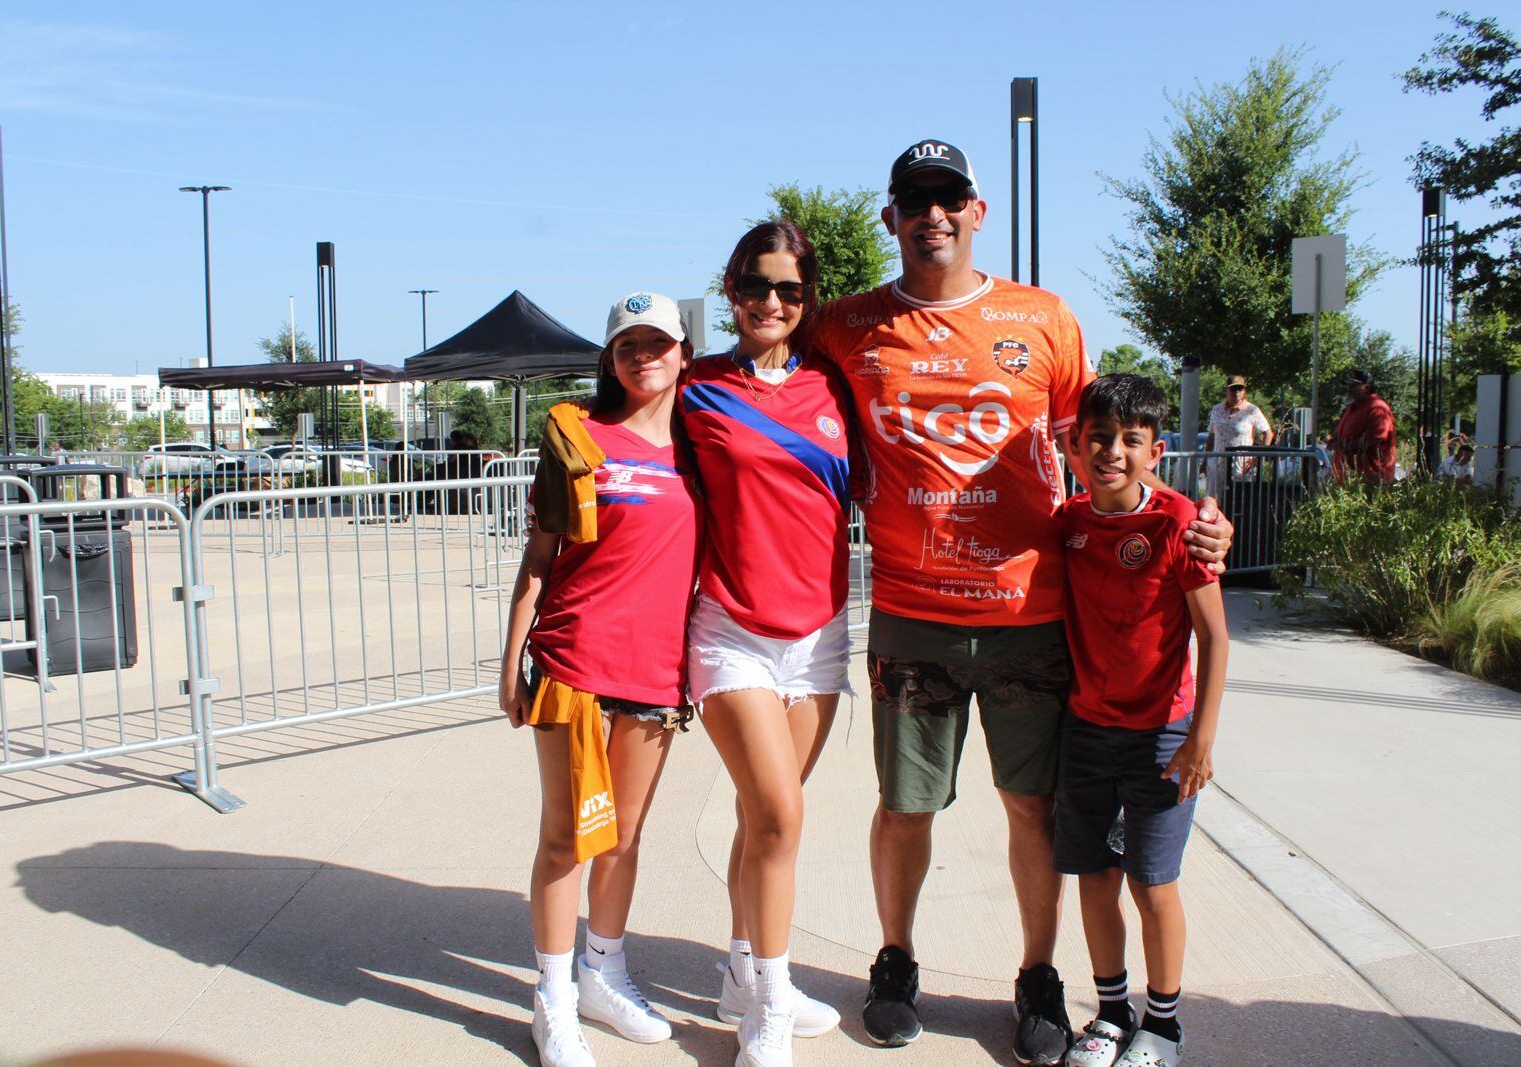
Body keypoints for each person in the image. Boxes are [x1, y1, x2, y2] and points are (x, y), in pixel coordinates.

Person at [810, 138, 1231, 1064]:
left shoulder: (1040, 319)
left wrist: (1192, 520)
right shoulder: (845, 325)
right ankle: (896, 959)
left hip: (1029, 619)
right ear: (892, 217)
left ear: (977, 211)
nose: (934, 216)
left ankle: (1038, 976)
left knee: (1031, 810)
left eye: (949, 198)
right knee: (905, 806)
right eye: (915, 201)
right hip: (914, 613)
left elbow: (1112, 449)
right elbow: (768, 377)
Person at [499, 292, 701, 1067]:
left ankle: (603, 974)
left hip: (655, 671)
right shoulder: (578, 436)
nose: (643, 355)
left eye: (659, 342)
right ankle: (551, 999)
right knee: (566, 836)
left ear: (684, 353)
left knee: (622, 834)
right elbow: (538, 558)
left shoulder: (698, 449)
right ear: (609, 357)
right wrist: (510, 665)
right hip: (572, 662)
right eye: (628, 344)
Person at [679, 220, 855, 1067]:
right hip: (729, 633)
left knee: (763, 818)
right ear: (732, 290)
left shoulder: (837, 387)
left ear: (806, 298)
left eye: (789, 289)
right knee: (782, 813)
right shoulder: (696, 386)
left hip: (818, 637)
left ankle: (741, 970)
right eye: (755, 286)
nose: (771, 303)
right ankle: (771, 1010)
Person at [1055, 374, 1228, 1067]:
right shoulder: (1067, 523)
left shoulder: (1181, 523)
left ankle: (1164, 1023)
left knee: (1151, 881)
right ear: (1078, 444)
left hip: (1162, 735)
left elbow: (1214, 637)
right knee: (1096, 876)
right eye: (1099, 438)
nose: (1113, 452)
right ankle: (1111, 1011)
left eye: (1131, 440)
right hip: (1086, 731)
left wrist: (1199, 740)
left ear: (1156, 449)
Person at [1203, 375, 1272, 500]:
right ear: (1226, 390)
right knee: (1213, 500)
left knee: (1237, 500)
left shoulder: (1252, 410)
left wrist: (1257, 458)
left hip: (1240, 464)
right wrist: (1205, 460)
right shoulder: (1216, 409)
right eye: (1233, 389)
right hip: (1217, 462)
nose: (1237, 392)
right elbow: (1211, 435)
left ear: (1244, 391)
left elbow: (1267, 433)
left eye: (1240, 388)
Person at [1333, 368, 1396, 483]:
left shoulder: (1377, 408)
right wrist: (1334, 442)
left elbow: (1375, 438)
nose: (1349, 389)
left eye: (1353, 385)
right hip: (1349, 479)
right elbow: (1339, 436)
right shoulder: (1351, 409)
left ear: (1366, 387)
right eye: (1349, 385)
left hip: (1371, 479)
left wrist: (1345, 446)